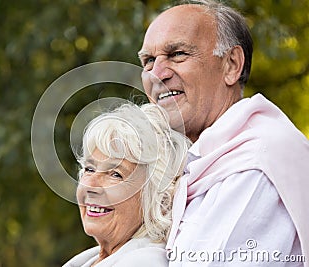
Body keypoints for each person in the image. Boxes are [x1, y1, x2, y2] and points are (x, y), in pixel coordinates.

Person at [139, 0, 309, 266]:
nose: (156, 75)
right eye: (148, 60)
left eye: (178, 54)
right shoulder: (198, 163)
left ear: (231, 65)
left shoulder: (254, 165)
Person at [63, 103, 190, 267]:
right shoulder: (93, 258)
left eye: (115, 174)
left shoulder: (145, 262)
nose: (91, 185)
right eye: (89, 169)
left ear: (155, 198)